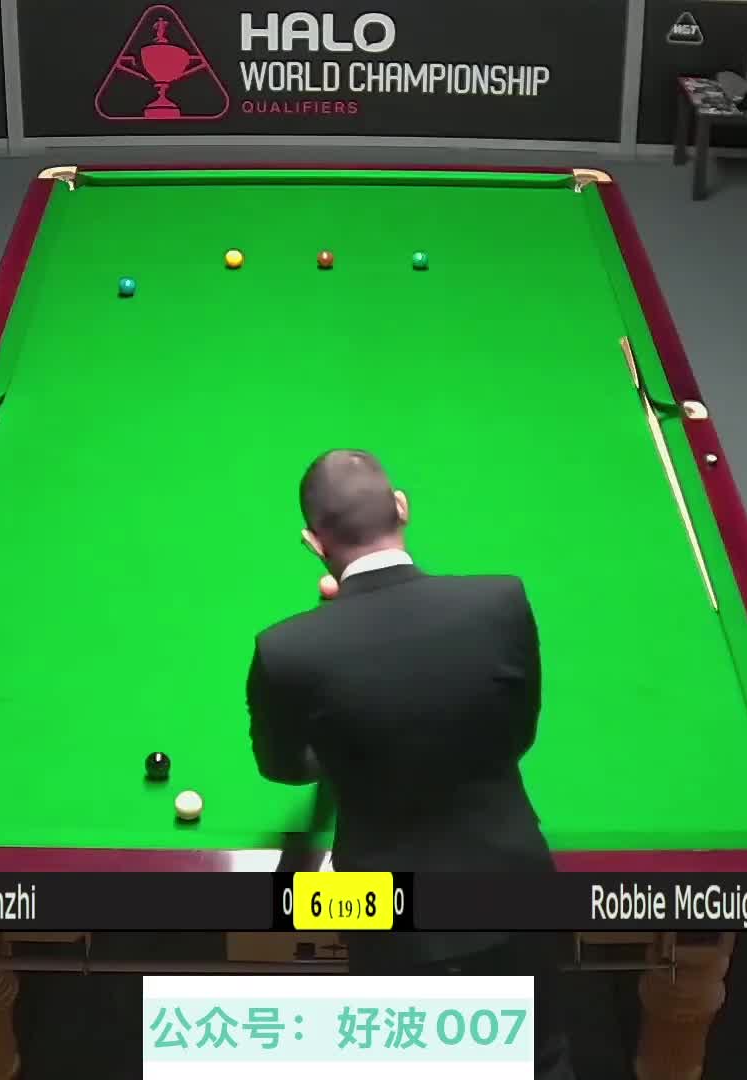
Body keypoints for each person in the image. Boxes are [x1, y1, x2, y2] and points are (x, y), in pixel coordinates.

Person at [246, 449, 574, 1080]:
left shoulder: (285, 650)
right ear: (402, 508)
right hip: (515, 887)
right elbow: (516, 734)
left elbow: (285, 766)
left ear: (314, 543)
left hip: (381, 911)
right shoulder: (501, 601)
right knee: (541, 1052)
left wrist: (343, 727)